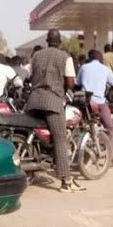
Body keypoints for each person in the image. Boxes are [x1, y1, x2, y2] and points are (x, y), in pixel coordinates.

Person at [24, 29, 81, 192]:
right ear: (60, 41)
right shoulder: (65, 57)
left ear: (47, 41)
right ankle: (66, 180)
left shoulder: (36, 56)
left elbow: (29, 76)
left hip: (34, 100)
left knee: (40, 136)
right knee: (60, 139)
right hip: (53, 102)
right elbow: (70, 83)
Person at [77, 49, 113, 166]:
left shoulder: (83, 67)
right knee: (111, 128)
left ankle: (83, 155)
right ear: (99, 58)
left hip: (86, 103)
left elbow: (77, 84)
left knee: (83, 128)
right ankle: (111, 157)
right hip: (100, 103)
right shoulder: (105, 69)